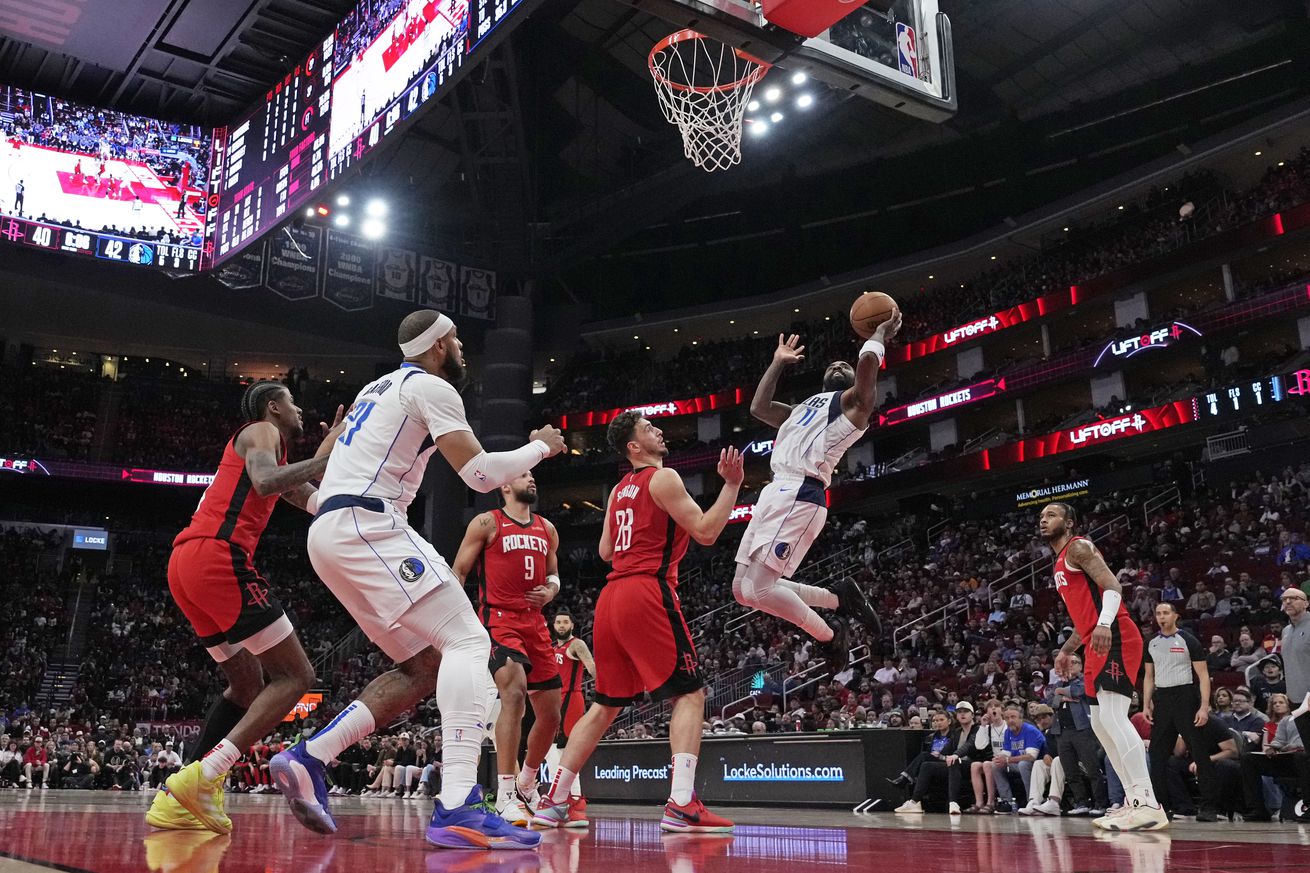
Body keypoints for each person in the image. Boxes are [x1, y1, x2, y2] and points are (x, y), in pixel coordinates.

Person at [271, 309, 564, 850]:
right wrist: (540, 446)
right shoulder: (429, 385)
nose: (461, 351)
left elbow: (336, 476)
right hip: (369, 525)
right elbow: (478, 474)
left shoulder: (373, 389)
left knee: (424, 666)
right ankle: (458, 803)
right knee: (469, 640)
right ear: (437, 347)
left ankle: (310, 755)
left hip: (329, 530)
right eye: (455, 341)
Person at [533, 411, 744, 832]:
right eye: (649, 428)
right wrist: (733, 484)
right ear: (634, 446)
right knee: (689, 694)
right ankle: (682, 803)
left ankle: (555, 800)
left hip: (611, 599)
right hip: (647, 590)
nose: (658, 431)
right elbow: (706, 531)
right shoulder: (662, 479)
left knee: (604, 705)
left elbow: (607, 551)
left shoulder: (617, 491)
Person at [151, 381, 343, 834]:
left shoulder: (272, 452)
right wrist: (328, 456)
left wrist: (338, 473)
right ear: (274, 408)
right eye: (292, 403)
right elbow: (265, 480)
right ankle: (208, 774)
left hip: (186, 565)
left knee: (245, 684)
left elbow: (309, 497)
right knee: (298, 676)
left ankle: (178, 794)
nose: (299, 410)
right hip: (219, 556)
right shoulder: (262, 430)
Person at [730, 320, 902, 657]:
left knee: (761, 590)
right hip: (774, 490)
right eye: (832, 365)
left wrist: (878, 334)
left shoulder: (854, 406)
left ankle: (828, 636)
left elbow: (867, 365)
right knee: (741, 590)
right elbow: (758, 408)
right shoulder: (801, 410)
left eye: (844, 366)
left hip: (801, 495)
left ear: (854, 384)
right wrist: (778, 362)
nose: (838, 364)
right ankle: (840, 598)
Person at [1040, 502, 1167, 831]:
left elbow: (1113, 586)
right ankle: (1131, 801)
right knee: (1100, 724)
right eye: (1041, 516)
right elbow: (1084, 616)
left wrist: (1104, 625)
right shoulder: (1058, 561)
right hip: (1099, 639)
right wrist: (1067, 649)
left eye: (1051, 515)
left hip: (1116, 636)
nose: (1044, 519)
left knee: (1113, 717)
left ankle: (1147, 802)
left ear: (1069, 523)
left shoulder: (1078, 546)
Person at [451, 471, 564, 825]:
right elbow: (459, 571)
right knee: (513, 693)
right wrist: (459, 621)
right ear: (504, 486)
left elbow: (554, 575)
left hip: (536, 623)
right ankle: (504, 795)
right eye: (524, 475)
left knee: (551, 715)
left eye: (534, 475)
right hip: (498, 620)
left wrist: (551, 590)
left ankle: (527, 782)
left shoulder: (547, 528)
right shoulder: (487, 523)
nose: (532, 480)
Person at [1143, 601, 1219, 821]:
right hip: (1162, 699)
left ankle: (1208, 807)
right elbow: (1149, 677)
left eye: (1166, 613)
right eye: (1158, 613)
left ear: (1175, 616)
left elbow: (1203, 676)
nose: (1161, 617)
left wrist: (1204, 707)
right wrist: (1146, 704)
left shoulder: (1188, 640)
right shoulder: (1151, 642)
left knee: (1199, 752)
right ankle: (1161, 806)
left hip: (1186, 696)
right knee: (1157, 755)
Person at [543, 610, 595, 824]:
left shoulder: (577, 644)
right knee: (552, 750)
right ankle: (566, 796)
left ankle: (573, 797)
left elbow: (592, 667)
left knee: (565, 749)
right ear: (554, 625)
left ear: (572, 624)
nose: (562, 625)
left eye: (566, 622)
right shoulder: (552, 647)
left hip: (570, 699)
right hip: (554, 699)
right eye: (558, 622)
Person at [1047, 653, 1107, 815]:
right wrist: (1063, 697)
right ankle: (1081, 803)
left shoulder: (1085, 680)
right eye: (1069, 663)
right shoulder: (1058, 682)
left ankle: (1100, 804)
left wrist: (1061, 693)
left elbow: (1079, 691)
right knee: (1070, 770)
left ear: (1081, 666)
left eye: (1075, 662)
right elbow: (1049, 699)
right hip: (1062, 731)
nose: (1071, 665)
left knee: (1092, 767)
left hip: (1082, 729)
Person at [892, 710, 956, 813]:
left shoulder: (954, 736)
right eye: (935, 720)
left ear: (949, 721)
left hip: (947, 763)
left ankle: (905, 779)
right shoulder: (933, 736)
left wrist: (941, 756)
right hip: (933, 763)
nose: (938, 723)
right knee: (925, 762)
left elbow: (955, 753)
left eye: (941, 720)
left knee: (924, 756)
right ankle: (914, 801)